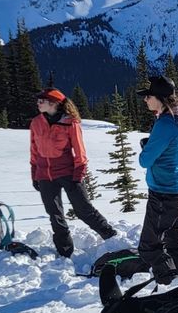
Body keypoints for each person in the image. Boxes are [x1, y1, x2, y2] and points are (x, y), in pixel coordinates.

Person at [30, 87, 117, 257]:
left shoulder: (70, 122)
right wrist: (34, 173)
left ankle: (111, 236)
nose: (38, 104)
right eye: (38, 101)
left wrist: (79, 174)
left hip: (68, 172)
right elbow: (34, 149)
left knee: (83, 209)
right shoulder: (36, 122)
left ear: (54, 103)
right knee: (55, 214)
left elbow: (80, 150)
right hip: (45, 174)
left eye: (42, 101)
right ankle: (64, 251)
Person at [135, 75, 178, 283]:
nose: (145, 100)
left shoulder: (165, 124)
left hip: (164, 191)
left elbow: (145, 161)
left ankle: (169, 282)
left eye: (149, 96)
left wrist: (146, 147)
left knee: (148, 246)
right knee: (173, 237)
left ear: (160, 98)